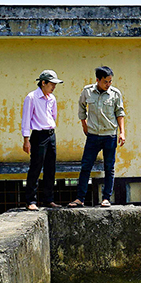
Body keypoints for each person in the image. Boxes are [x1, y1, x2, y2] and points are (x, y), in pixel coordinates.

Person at [68, 66, 125, 208]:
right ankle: (80, 198)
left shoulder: (115, 93)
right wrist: (83, 123)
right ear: (98, 80)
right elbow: (81, 106)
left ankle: (106, 198)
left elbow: (120, 113)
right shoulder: (87, 91)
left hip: (109, 135)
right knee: (86, 166)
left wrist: (122, 132)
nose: (108, 84)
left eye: (110, 81)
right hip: (93, 135)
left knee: (109, 167)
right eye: (106, 81)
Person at [21, 69, 63, 211]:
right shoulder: (31, 97)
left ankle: (48, 199)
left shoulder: (52, 98)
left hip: (51, 134)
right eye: (51, 84)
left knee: (51, 168)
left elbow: (53, 115)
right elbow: (26, 119)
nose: (53, 87)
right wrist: (26, 139)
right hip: (38, 135)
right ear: (43, 83)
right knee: (36, 167)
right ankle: (30, 200)